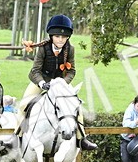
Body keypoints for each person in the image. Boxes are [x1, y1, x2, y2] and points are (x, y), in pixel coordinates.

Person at [22, 14, 98, 150]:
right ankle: (19, 135)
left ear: (68, 37)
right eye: (57, 36)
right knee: (23, 105)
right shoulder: (43, 48)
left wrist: (62, 83)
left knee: (76, 106)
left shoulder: (70, 49)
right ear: (51, 36)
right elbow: (35, 70)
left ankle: (82, 139)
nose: (60, 39)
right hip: (40, 80)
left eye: (63, 37)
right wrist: (42, 84)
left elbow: (72, 71)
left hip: (61, 83)